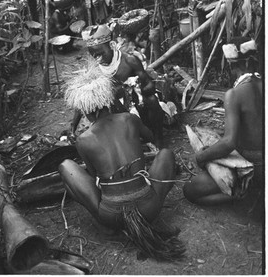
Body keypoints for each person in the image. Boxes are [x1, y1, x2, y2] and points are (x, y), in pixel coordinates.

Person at [59, 63, 184, 260]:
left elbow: (95, 179)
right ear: (108, 100)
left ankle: (105, 226)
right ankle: (141, 220)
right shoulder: (128, 119)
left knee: (66, 166)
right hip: (149, 208)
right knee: (166, 154)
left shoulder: (84, 140)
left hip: (112, 215)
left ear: (85, 110)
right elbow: (151, 136)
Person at [183, 37, 262, 206]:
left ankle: (241, 194)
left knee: (190, 191)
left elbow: (229, 142)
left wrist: (201, 157)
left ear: (232, 65)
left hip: (252, 165)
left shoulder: (234, 94)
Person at [74, 24, 164, 148]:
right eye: (94, 55)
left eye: (100, 54)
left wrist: (136, 89)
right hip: (112, 109)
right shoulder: (93, 69)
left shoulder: (129, 60)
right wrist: (73, 126)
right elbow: (83, 99)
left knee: (152, 100)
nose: (98, 60)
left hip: (136, 103)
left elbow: (149, 84)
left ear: (111, 45)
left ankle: (158, 138)